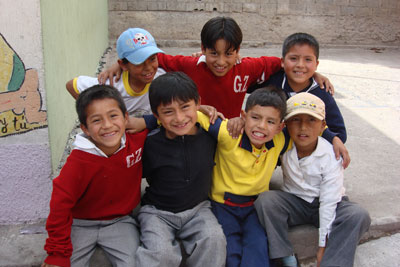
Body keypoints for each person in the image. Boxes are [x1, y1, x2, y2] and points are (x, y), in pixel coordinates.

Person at [100, 17, 333, 119]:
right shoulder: (189, 64)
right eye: (213, 53)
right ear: (202, 48)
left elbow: (285, 62)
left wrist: (315, 72)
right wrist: (119, 65)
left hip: (232, 132)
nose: (221, 61)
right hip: (198, 130)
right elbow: (155, 57)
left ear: (238, 50)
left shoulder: (250, 67)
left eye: (228, 54)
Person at [254, 93, 371, 267]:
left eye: (311, 121)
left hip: (331, 203)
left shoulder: (332, 154)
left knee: (358, 215)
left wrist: (322, 245)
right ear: (285, 125)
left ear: (323, 125)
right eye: (296, 120)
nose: (303, 128)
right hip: (296, 202)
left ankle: (332, 263)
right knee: (266, 201)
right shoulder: (282, 143)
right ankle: (285, 256)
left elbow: (329, 200)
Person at [42, 85, 148, 267]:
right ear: (85, 128)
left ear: (126, 118)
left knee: (136, 263)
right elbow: (60, 204)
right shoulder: (78, 161)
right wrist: (57, 252)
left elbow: (169, 118)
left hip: (120, 221)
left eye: (113, 116)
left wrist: (147, 121)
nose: (107, 125)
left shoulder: (137, 141)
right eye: (96, 120)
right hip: (80, 224)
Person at [135, 72, 226, 267]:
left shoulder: (211, 136)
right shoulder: (149, 143)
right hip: (157, 212)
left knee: (214, 240)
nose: (179, 118)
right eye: (168, 112)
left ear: (198, 103)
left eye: (186, 107)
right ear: (156, 114)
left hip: (198, 209)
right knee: (160, 253)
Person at [194, 86, 289, 267]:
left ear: (280, 127)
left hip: (255, 209)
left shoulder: (280, 140)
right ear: (243, 116)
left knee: (259, 246)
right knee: (230, 252)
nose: (261, 126)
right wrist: (201, 107)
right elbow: (188, 114)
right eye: (255, 117)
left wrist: (332, 138)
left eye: (270, 122)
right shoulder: (229, 133)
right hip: (223, 207)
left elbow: (307, 129)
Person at [249, 32, 346, 144]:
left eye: (308, 60)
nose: (300, 65)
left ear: (316, 64)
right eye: (293, 58)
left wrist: (325, 137)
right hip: (268, 151)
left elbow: (339, 133)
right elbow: (244, 82)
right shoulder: (272, 81)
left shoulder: (321, 93)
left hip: (300, 155)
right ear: (282, 62)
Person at [66, 28, 165, 117]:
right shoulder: (113, 84)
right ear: (123, 65)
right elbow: (72, 85)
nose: (148, 68)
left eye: (152, 59)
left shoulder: (161, 78)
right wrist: (96, 114)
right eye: (139, 63)